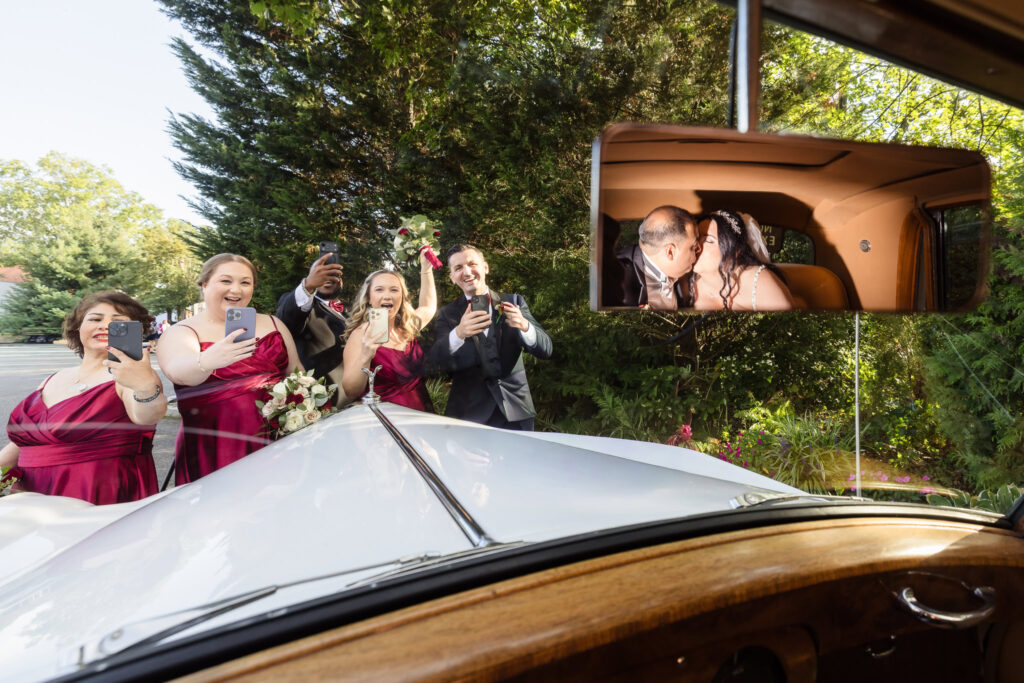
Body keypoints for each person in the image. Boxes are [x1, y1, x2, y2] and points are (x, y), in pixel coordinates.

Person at [0, 292, 165, 504]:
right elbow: (21, 445)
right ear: (78, 328)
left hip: (93, 491)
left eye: (118, 322)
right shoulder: (53, 379)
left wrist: (143, 386)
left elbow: (148, 415)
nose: (104, 326)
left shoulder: (136, 378)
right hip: (30, 497)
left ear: (137, 331)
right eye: (95, 319)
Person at [156, 254, 301, 484]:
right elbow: (177, 370)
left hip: (277, 443)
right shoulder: (182, 331)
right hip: (216, 446)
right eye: (225, 281)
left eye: (245, 282)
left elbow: (297, 376)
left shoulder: (274, 324)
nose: (236, 290)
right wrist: (208, 359)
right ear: (204, 285)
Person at [427, 244, 553, 430]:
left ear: (485, 267)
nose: (467, 272)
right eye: (459, 268)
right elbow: (437, 362)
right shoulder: (447, 314)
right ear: (452, 278)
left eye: (472, 264)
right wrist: (459, 334)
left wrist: (525, 327)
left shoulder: (514, 302)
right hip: (468, 415)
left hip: (516, 412)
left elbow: (546, 349)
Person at [341, 251, 437, 409]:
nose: (388, 296)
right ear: (369, 298)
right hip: (386, 422)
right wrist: (365, 355)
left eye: (394, 290)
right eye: (379, 290)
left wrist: (426, 269)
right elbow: (350, 391)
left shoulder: (407, 326)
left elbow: (428, 307)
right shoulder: (361, 335)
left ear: (402, 296)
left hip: (423, 416)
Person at [692, 209, 794, 311]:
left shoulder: (760, 284)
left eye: (708, 240)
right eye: (696, 238)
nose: (696, 246)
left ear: (735, 251)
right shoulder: (684, 281)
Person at [276, 252, 347, 385]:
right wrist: (308, 285)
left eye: (334, 274)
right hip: (317, 394)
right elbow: (287, 323)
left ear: (341, 282)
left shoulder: (350, 312)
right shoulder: (299, 304)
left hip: (353, 395)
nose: (328, 279)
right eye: (322, 274)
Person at [615, 205, 701, 309]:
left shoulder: (684, 277)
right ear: (670, 252)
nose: (699, 249)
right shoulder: (616, 283)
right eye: (693, 246)